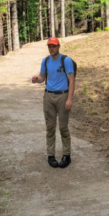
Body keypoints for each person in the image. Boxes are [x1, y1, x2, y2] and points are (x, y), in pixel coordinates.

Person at [31, 37, 75, 168]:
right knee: (50, 127)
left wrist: (70, 99)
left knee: (63, 127)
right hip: (48, 96)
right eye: (50, 46)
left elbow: (71, 80)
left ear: (59, 46)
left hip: (63, 96)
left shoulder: (66, 60)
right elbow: (42, 77)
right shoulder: (45, 61)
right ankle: (51, 155)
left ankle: (66, 155)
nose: (52, 48)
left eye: (54, 46)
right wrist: (37, 79)